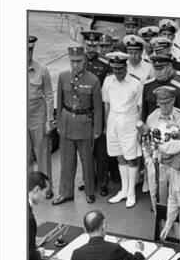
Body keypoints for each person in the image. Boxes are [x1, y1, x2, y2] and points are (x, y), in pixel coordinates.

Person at [53, 47, 103, 205]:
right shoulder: (63, 77)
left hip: (84, 125)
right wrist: (59, 124)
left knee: (87, 161)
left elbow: (98, 108)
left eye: (79, 61)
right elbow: (60, 102)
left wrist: (97, 130)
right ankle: (66, 193)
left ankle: (89, 191)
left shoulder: (93, 80)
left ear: (84, 61)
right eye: (73, 61)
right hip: (67, 124)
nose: (76, 65)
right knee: (66, 162)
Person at [141, 86, 180, 209]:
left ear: (173, 100)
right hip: (157, 163)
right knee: (157, 199)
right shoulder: (153, 117)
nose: (164, 107)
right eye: (161, 104)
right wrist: (147, 159)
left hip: (176, 163)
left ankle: (178, 226)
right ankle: (162, 225)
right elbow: (145, 140)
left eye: (166, 103)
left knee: (179, 199)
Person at [102, 52, 143, 208]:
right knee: (119, 156)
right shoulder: (108, 81)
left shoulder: (135, 83)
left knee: (131, 157)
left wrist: (139, 128)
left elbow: (140, 107)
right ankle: (124, 190)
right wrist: (107, 125)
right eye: (114, 68)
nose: (117, 72)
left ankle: (131, 191)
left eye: (120, 68)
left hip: (129, 121)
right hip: (113, 120)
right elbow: (106, 104)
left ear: (125, 66)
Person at [79, 30, 112, 197]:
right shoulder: (78, 62)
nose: (91, 48)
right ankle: (88, 180)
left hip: (98, 112)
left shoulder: (105, 64)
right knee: (85, 151)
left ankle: (102, 182)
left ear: (98, 45)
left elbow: (108, 91)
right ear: (84, 44)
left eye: (95, 45)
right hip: (83, 113)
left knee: (101, 152)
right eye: (88, 45)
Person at [27, 36, 54, 199]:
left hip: (38, 114)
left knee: (43, 153)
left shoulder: (42, 70)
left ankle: (46, 188)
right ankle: (29, 188)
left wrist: (49, 120)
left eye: (31, 49)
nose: (28, 53)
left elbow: (49, 95)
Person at [142, 54, 180, 120]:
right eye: (156, 69)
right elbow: (144, 112)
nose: (158, 72)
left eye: (161, 69)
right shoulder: (148, 86)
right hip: (153, 126)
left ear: (169, 67)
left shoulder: (179, 88)